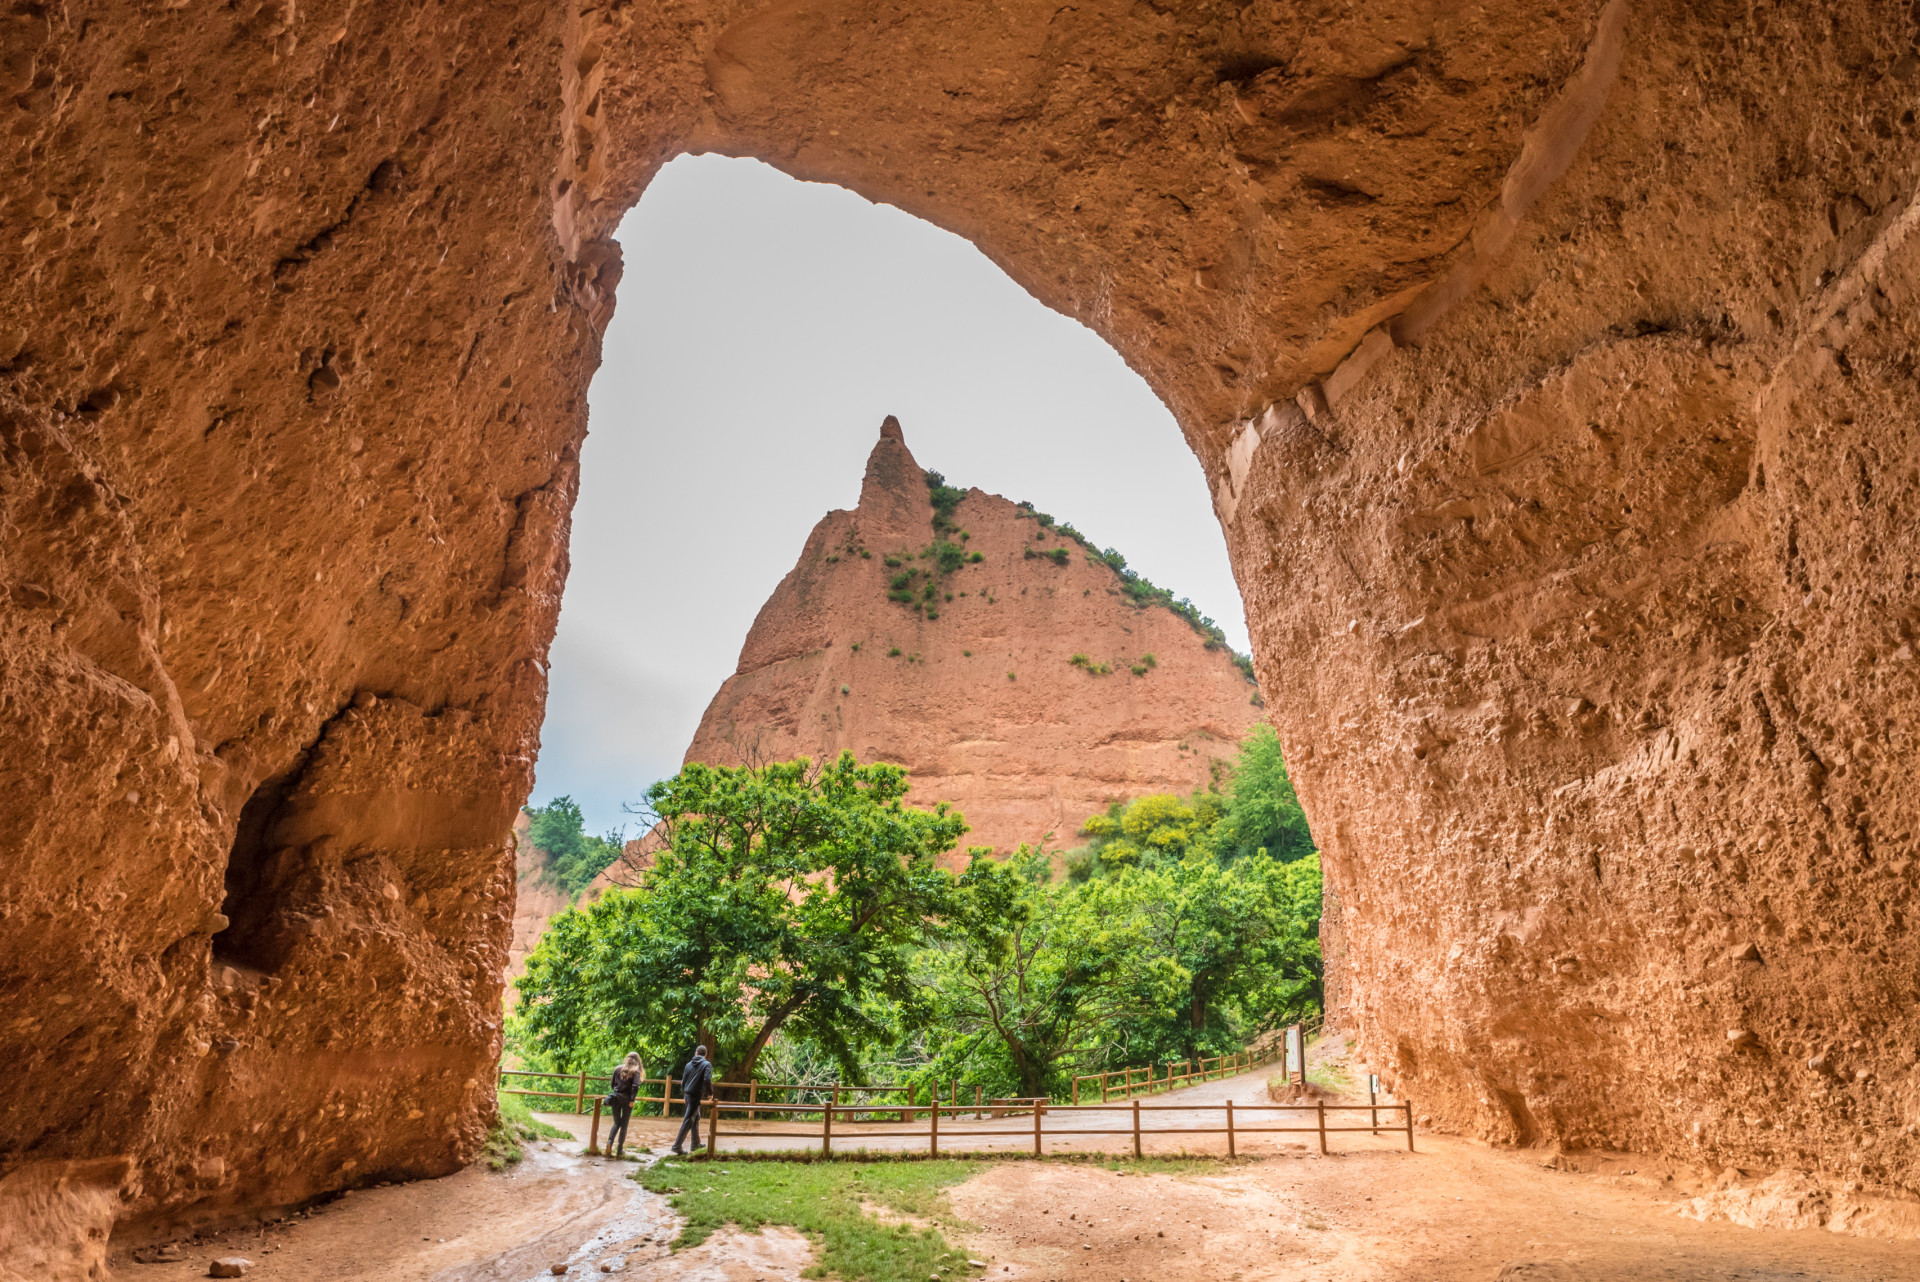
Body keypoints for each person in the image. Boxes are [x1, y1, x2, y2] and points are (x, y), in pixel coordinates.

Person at [671, 1045, 713, 1155]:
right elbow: (707, 1079)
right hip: (695, 1095)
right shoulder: (707, 1064)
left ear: (696, 1053)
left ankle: (695, 1143)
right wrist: (710, 1093)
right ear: (705, 1054)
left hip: (687, 1094)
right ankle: (677, 1146)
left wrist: (684, 1094)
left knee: (695, 1117)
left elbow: (683, 1081)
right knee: (688, 1120)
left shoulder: (688, 1064)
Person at [606, 1051, 643, 1158]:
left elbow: (612, 1084)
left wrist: (618, 1092)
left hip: (616, 1098)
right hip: (627, 1101)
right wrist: (632, 1099)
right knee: (624, 1125)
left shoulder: (618, 1069)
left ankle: (609, 1142)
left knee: (616, 1123)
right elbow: (635, 1086)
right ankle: (619, 1149)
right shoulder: (635, 1071)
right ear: (637, 1060)